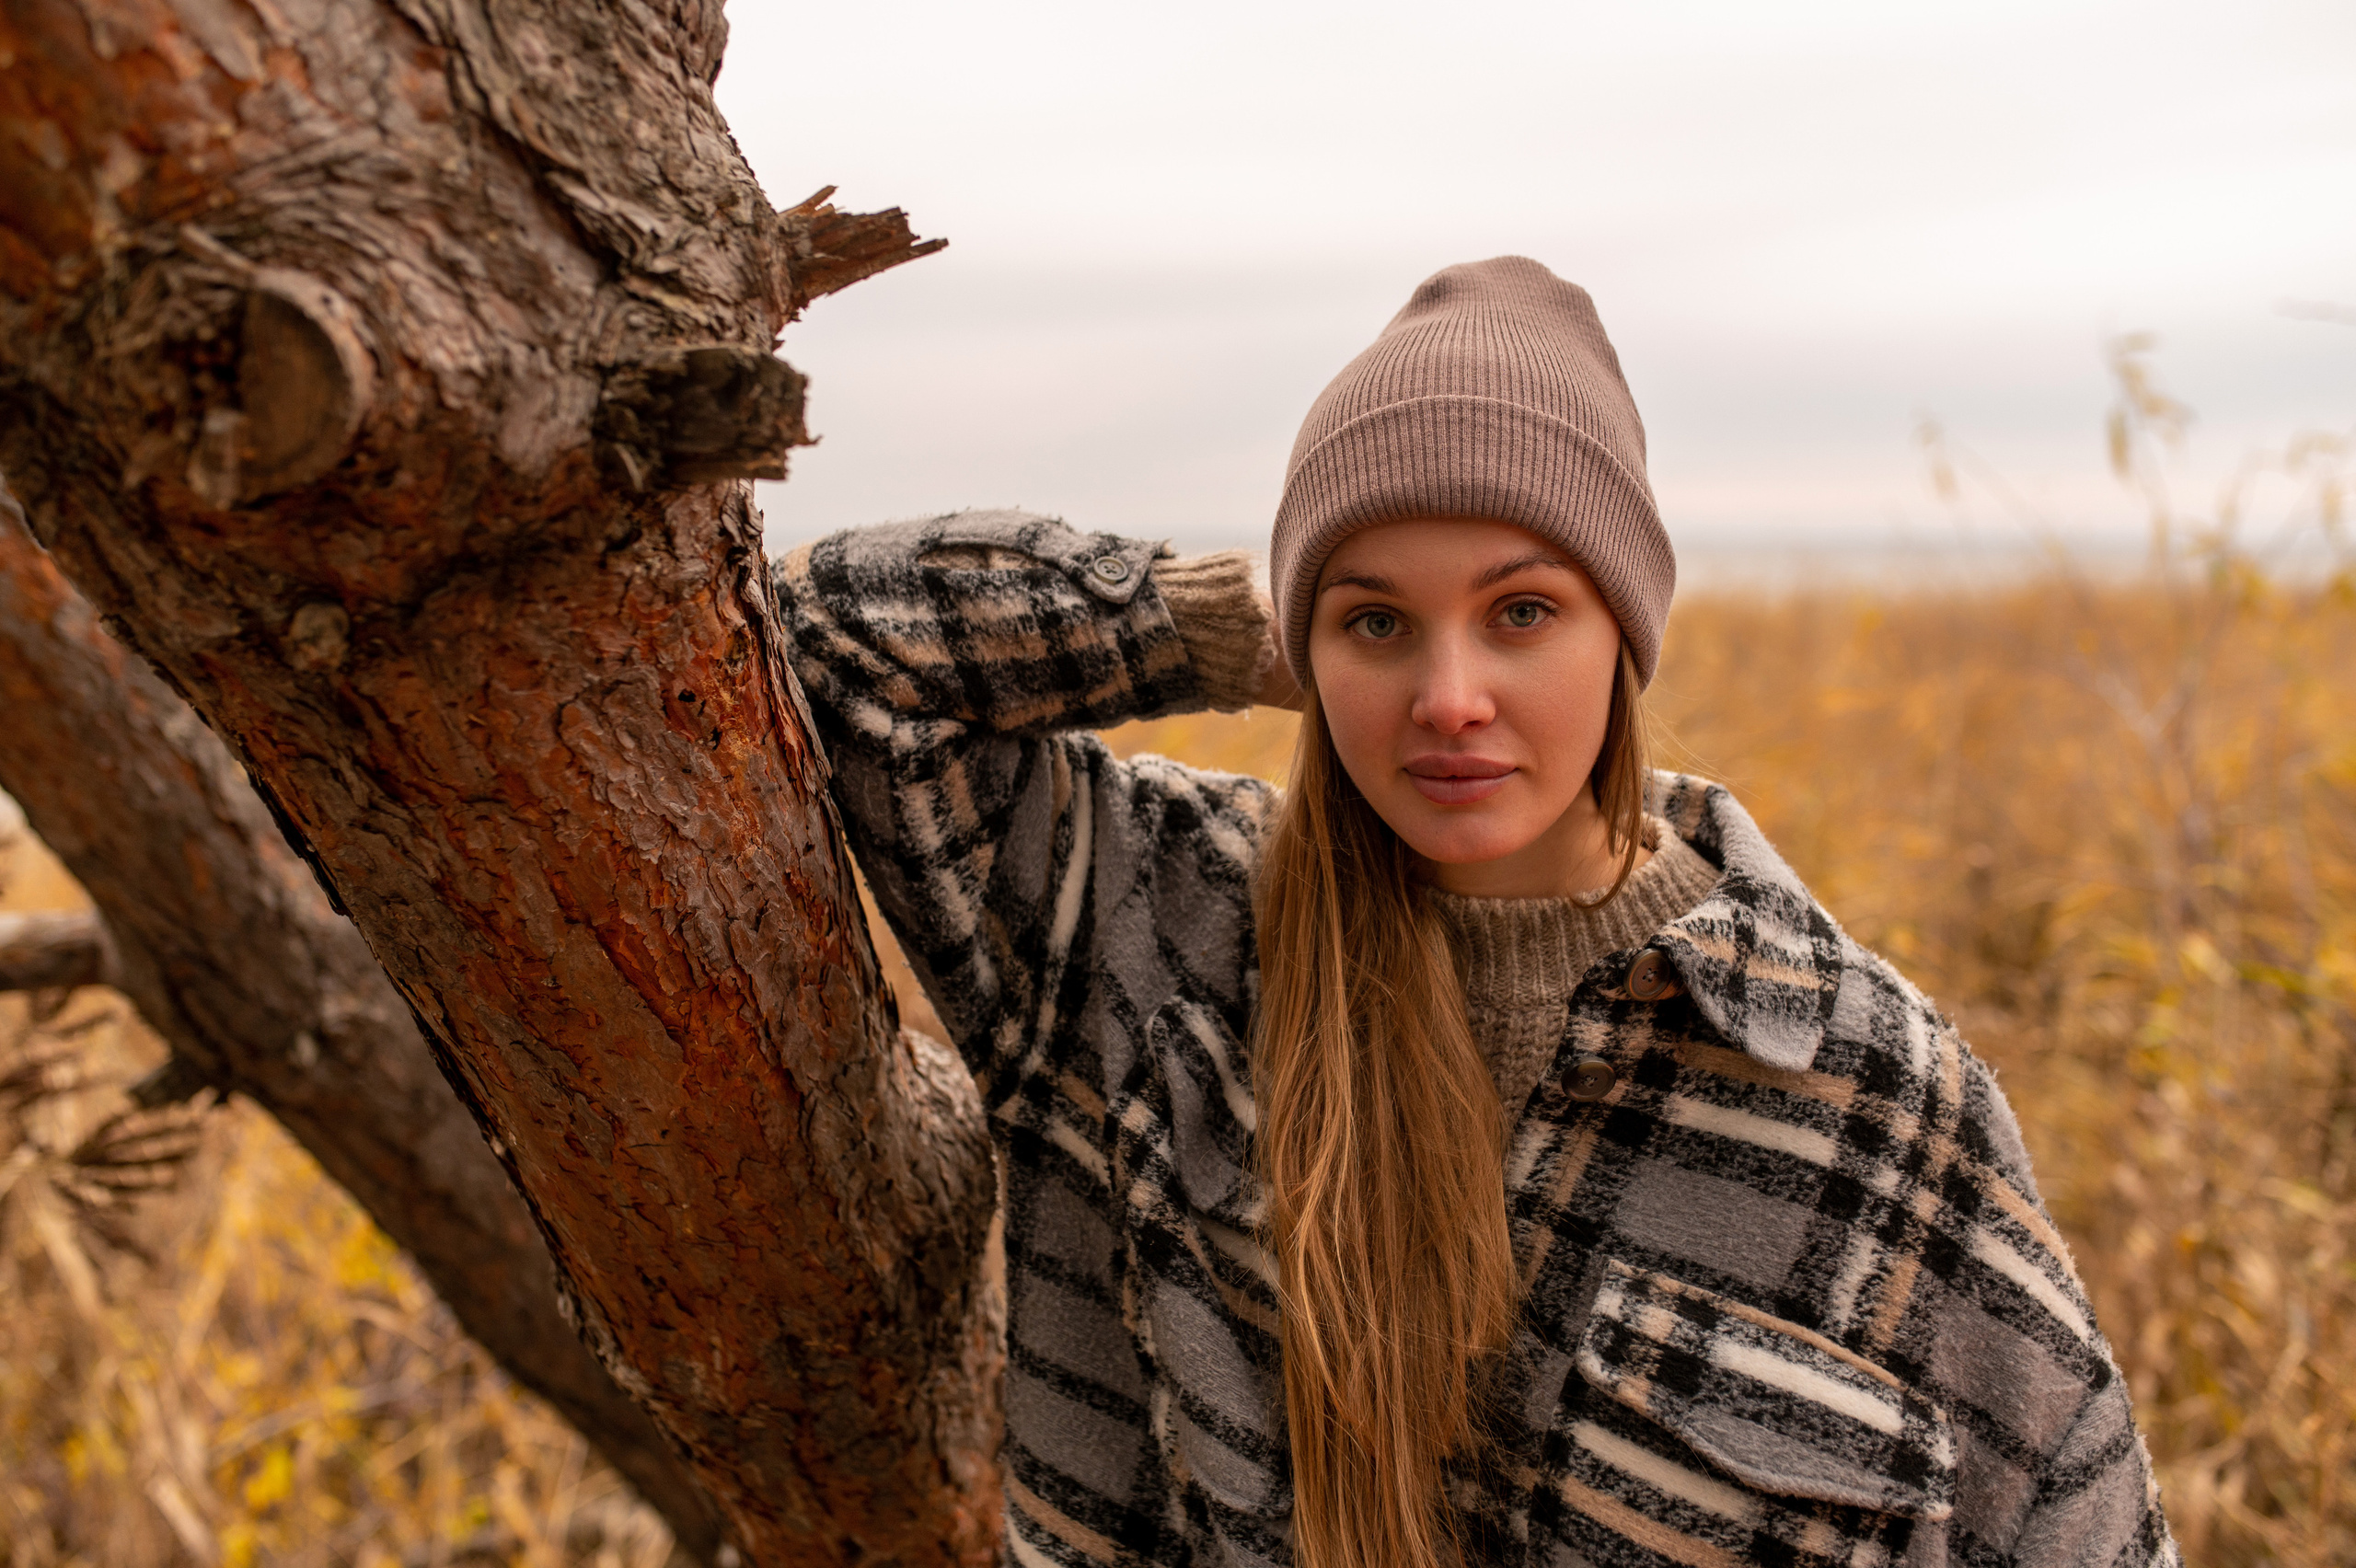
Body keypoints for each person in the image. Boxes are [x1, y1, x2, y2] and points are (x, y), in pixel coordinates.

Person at [773, 257, 2177, 1568]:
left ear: (1623, 634)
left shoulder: (1863, 1091)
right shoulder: (1149, 928)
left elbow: (2082, 1528)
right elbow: (836, 646)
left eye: (1521, 613)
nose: (1449, 700)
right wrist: (1240, 620)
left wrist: (1368, 608)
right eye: (1378, 623)